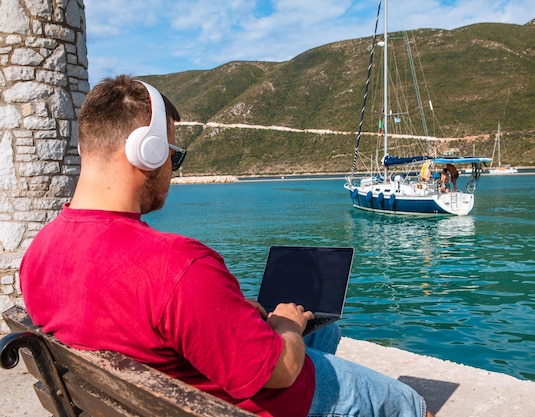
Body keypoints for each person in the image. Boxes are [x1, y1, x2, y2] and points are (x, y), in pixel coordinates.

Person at [19, 75, 434, 417]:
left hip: (146, 399)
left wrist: (242, 316)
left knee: (326, 331)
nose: (172, 171)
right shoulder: (177, 264)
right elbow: (282, 370)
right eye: (173, 157)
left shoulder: (38, 254)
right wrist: (285, 324)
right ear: (146, 152)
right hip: (263, 400)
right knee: (410, 404)